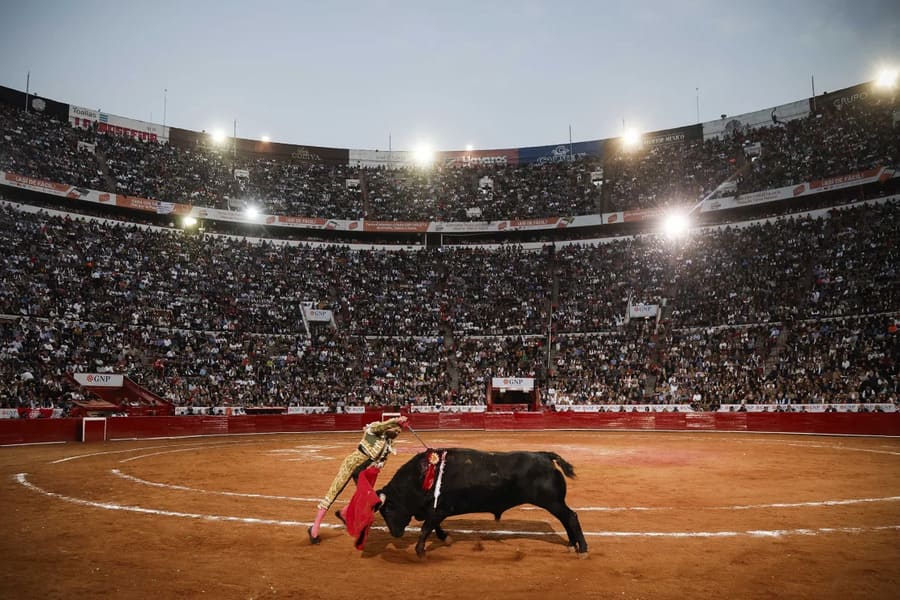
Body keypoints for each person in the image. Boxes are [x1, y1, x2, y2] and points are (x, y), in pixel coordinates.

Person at [308, 415, 408, 544]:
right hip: (351, 465)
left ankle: (344, 513)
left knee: (366, 498)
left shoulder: (389, 443)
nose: (397, 433)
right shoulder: (374, 429)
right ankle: (314, 528)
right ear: (389, 427)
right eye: (396, 430)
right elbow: (382, 426)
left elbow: (382, 460)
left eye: (399, 432)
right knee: (333, 493)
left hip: (363, 472)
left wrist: (377, 466)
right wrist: (394, 420)